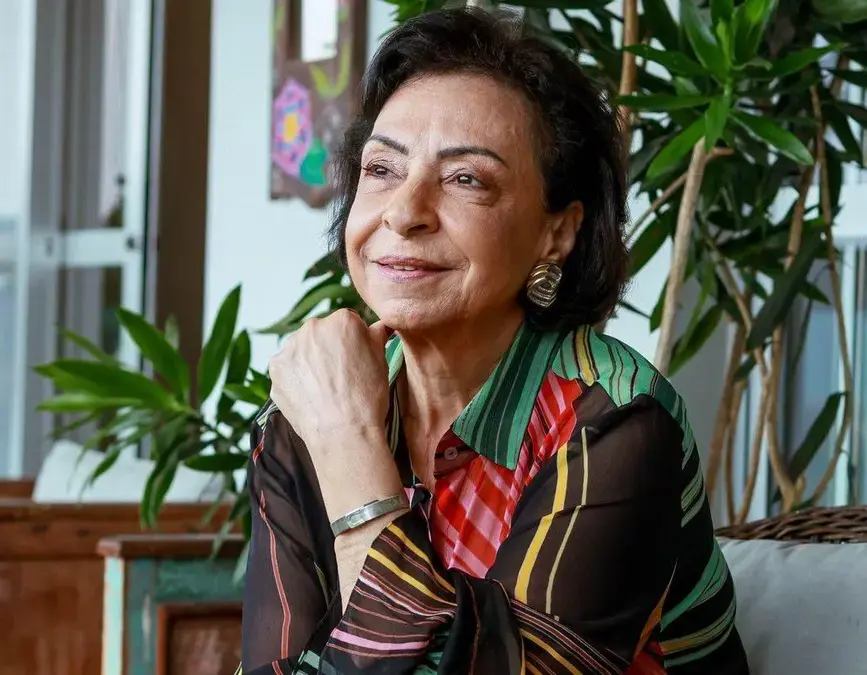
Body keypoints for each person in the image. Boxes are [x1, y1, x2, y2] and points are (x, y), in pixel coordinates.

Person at [241, 8, 749, 675]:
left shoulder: (615, 421)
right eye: (382, 169)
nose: (404, 212)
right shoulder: (310, 411)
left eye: (466, 179)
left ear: (556, 233)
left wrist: (350, 450)